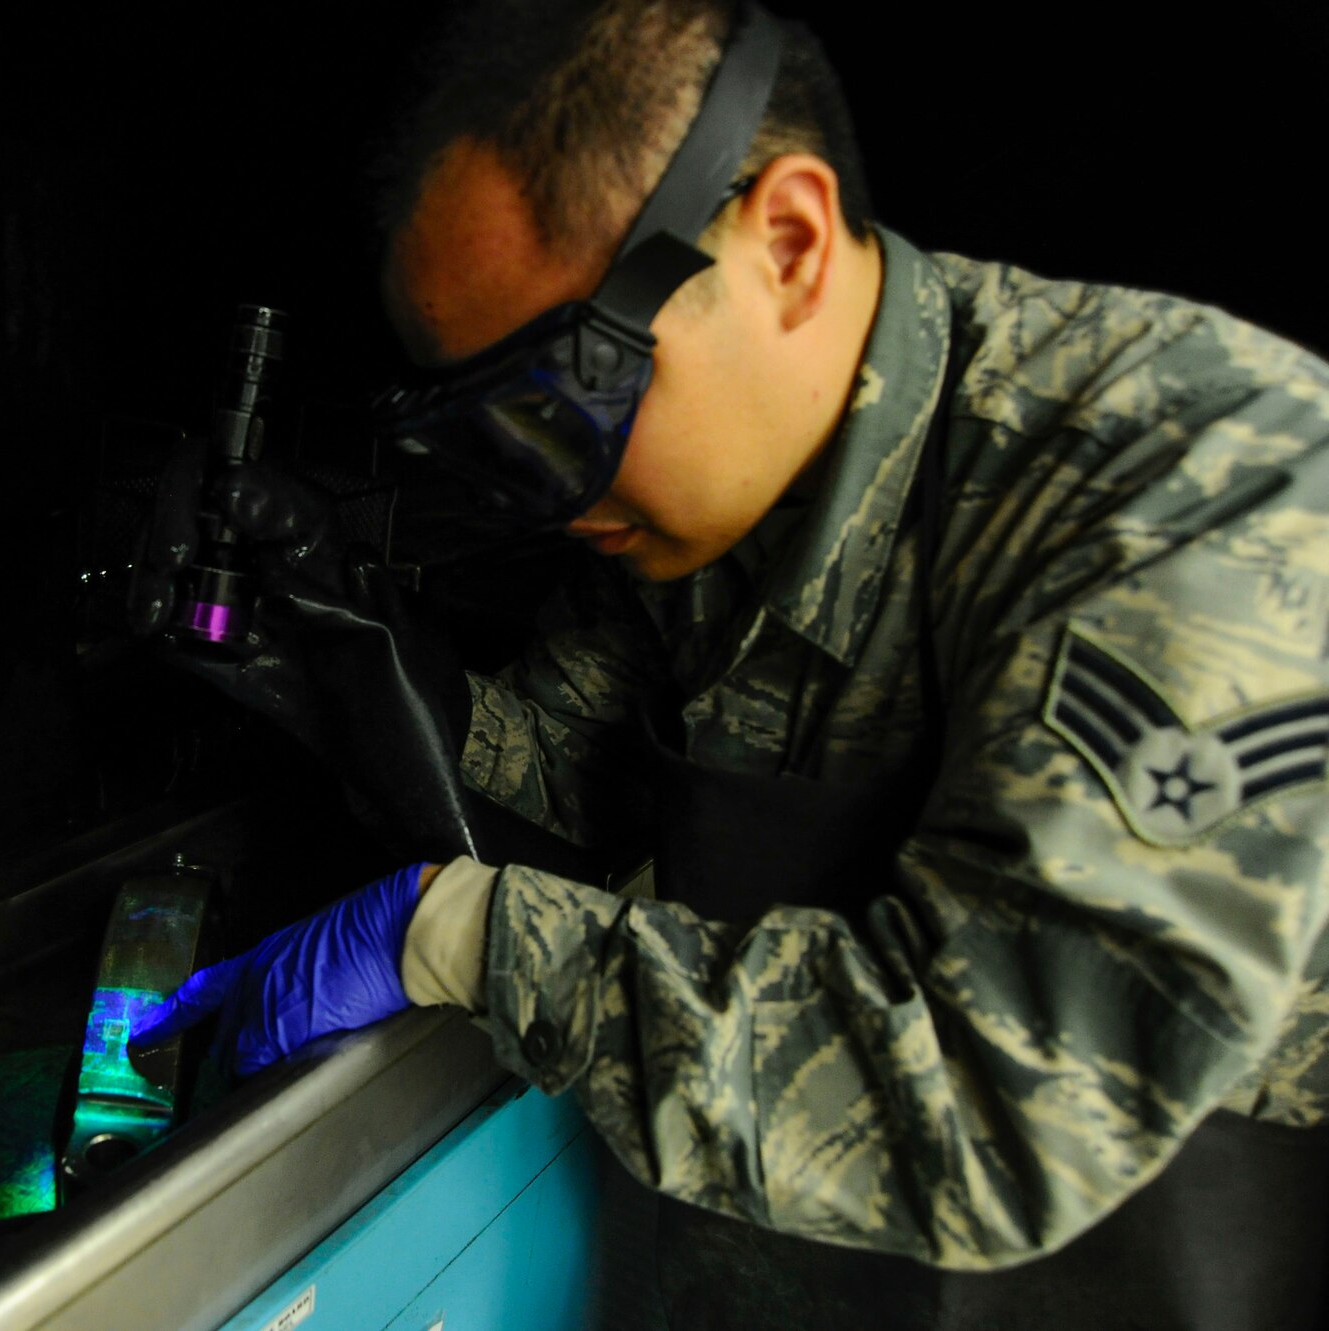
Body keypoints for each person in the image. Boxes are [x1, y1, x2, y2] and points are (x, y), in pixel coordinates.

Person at [131, 1, 1329, 1325]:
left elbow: (1000, 1107)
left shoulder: (1200, 489)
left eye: (555, 404)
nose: (534, 490)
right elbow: (572, 782)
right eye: (484, 436)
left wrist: (457, 936)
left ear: (790, 246)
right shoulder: (703, 513)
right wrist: (338, 655)